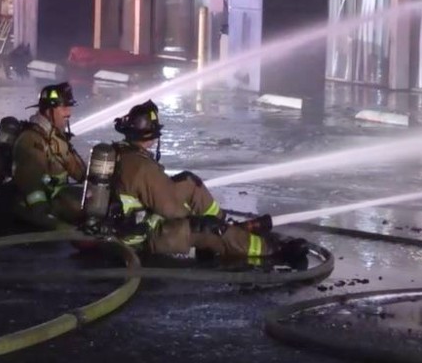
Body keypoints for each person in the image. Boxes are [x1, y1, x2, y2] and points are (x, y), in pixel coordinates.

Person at [105, 100, 307, 265]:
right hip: (144, 237)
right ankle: (271, 250)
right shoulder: (143, 167)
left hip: (132, 223)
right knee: (209, 229)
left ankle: (229, 226)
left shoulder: (121, 153)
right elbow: (171, 210)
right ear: (151, 136)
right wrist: (203, 223)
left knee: (189, 183)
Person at [9, 82, 87, 228]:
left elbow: (80, 173)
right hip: (37, 208)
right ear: (48, 110)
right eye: (64, 107)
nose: (69, 113)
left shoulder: (57, 138)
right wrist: (44, 215)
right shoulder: (31, 139)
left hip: (56, 199)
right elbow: (30, 184)